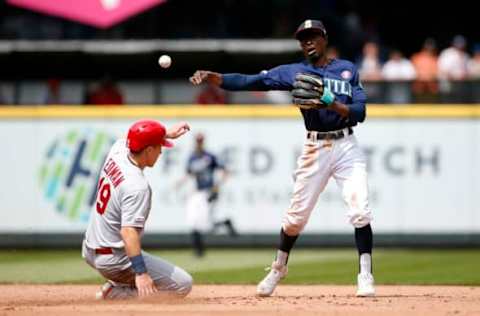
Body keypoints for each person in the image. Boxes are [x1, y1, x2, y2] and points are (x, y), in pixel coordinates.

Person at [189, 19, 375, 297]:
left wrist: (330, 101)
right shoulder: (293, 72)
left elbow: (360, 112)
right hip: (315, 147)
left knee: (360, 209)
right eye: (303, 38)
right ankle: (279, 268)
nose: (308, 42)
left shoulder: (347, 69)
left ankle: (365, 274)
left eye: (313, 36)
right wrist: (216, 77)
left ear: (324, 39)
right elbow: (253, 80)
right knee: (294, 220)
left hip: (347, 144)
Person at [82, 119, 193, 299]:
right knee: (182, 285)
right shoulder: (137, 186)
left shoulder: (118, 150)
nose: (161, 151)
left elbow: (132, 138)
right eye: (159, 146)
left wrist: (165, 134)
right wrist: (141, 273)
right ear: (148, 150)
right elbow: (128, 232)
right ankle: (115, 293)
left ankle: (120, 282)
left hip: (89, 247)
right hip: (114, 260)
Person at [177, 133, 237, 258]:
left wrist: (218, 186)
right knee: (193, 222)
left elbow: (225, 171)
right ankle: (199, 251)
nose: (199, 143)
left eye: (201, 141)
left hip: (209, 192)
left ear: (203, 142)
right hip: (197, 192)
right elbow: (190, 174)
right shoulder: (192, 157)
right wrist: (180, 183)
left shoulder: (210, 156)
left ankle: (225, 222)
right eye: (197, 141)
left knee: (205, 225)